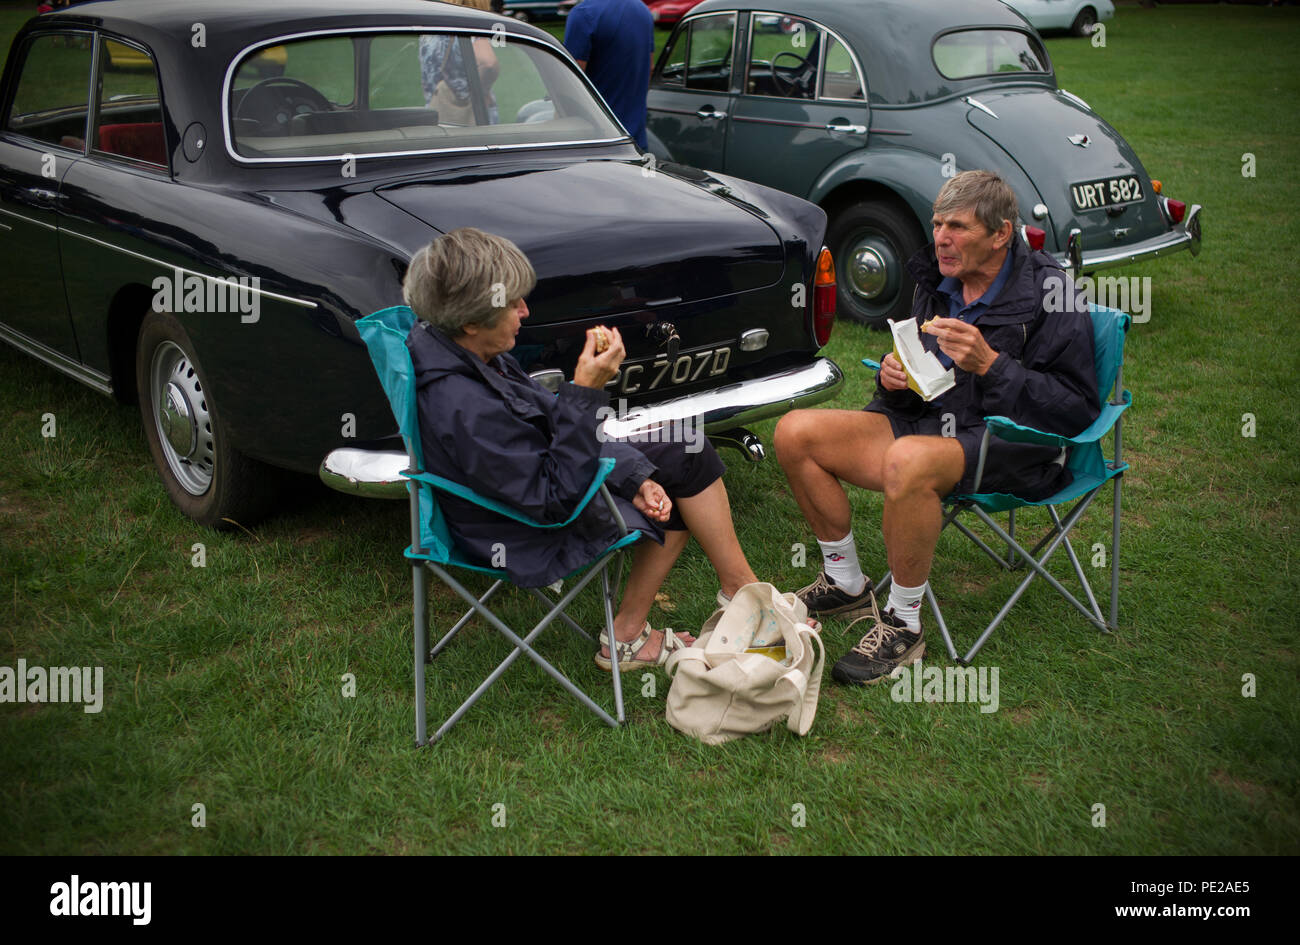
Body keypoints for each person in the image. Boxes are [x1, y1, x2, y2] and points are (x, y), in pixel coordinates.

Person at [774, 170, 1100, 686]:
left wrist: (992, 365)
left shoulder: (1051, 292)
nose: (942, 239)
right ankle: (845, 581)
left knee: (907, 461)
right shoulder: (936, 278)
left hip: (1011, 444)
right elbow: (926, 375)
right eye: (938, 223)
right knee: (794, 431)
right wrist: (894, 378)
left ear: (1001, 233)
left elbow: (1077, 410)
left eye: (959, 227)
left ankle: (903, 624)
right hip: (928, 422)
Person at [404, 227, 759, 669]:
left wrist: (634, 476)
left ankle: (740, 590)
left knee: (684, 445)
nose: (524, 310)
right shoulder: (464, 405)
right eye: (512, 304)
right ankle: (632, 635)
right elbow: (552, 499)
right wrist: (587, 389)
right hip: (520, 528)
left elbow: (547, 421)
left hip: (542, 481)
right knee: (676, 500)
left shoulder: (468, 351)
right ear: (471, 321)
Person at [563, 0, 655, 149]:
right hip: (635, 140)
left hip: (596, 141)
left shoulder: (584, 13)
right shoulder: (643, 11)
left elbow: (568, 83)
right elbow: (650, 68)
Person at [419, 0, 501, 125]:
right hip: (471, 115)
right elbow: (488, 63)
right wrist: (479, 91)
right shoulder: (470, 27)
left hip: (436, 110)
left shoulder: (430, 29)